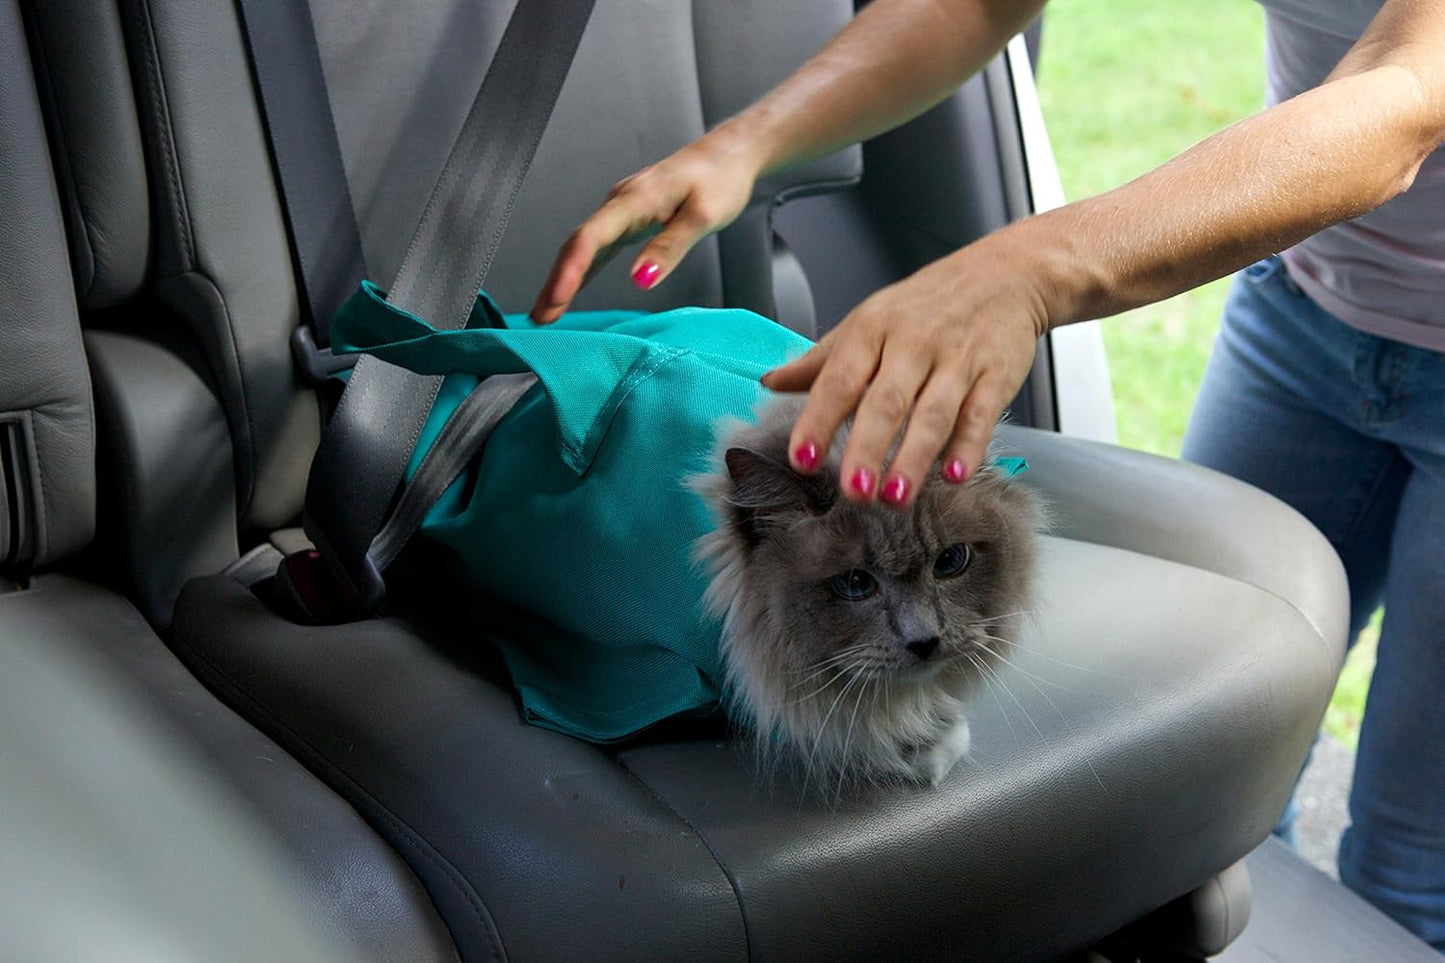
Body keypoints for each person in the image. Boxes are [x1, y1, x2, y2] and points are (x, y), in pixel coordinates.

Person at [531, 0, 1445, 947]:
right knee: (1244, 788)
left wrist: (1029, 270)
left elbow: (1407, 95)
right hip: (1303, 298)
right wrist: (751, 138)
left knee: (1414, 852)